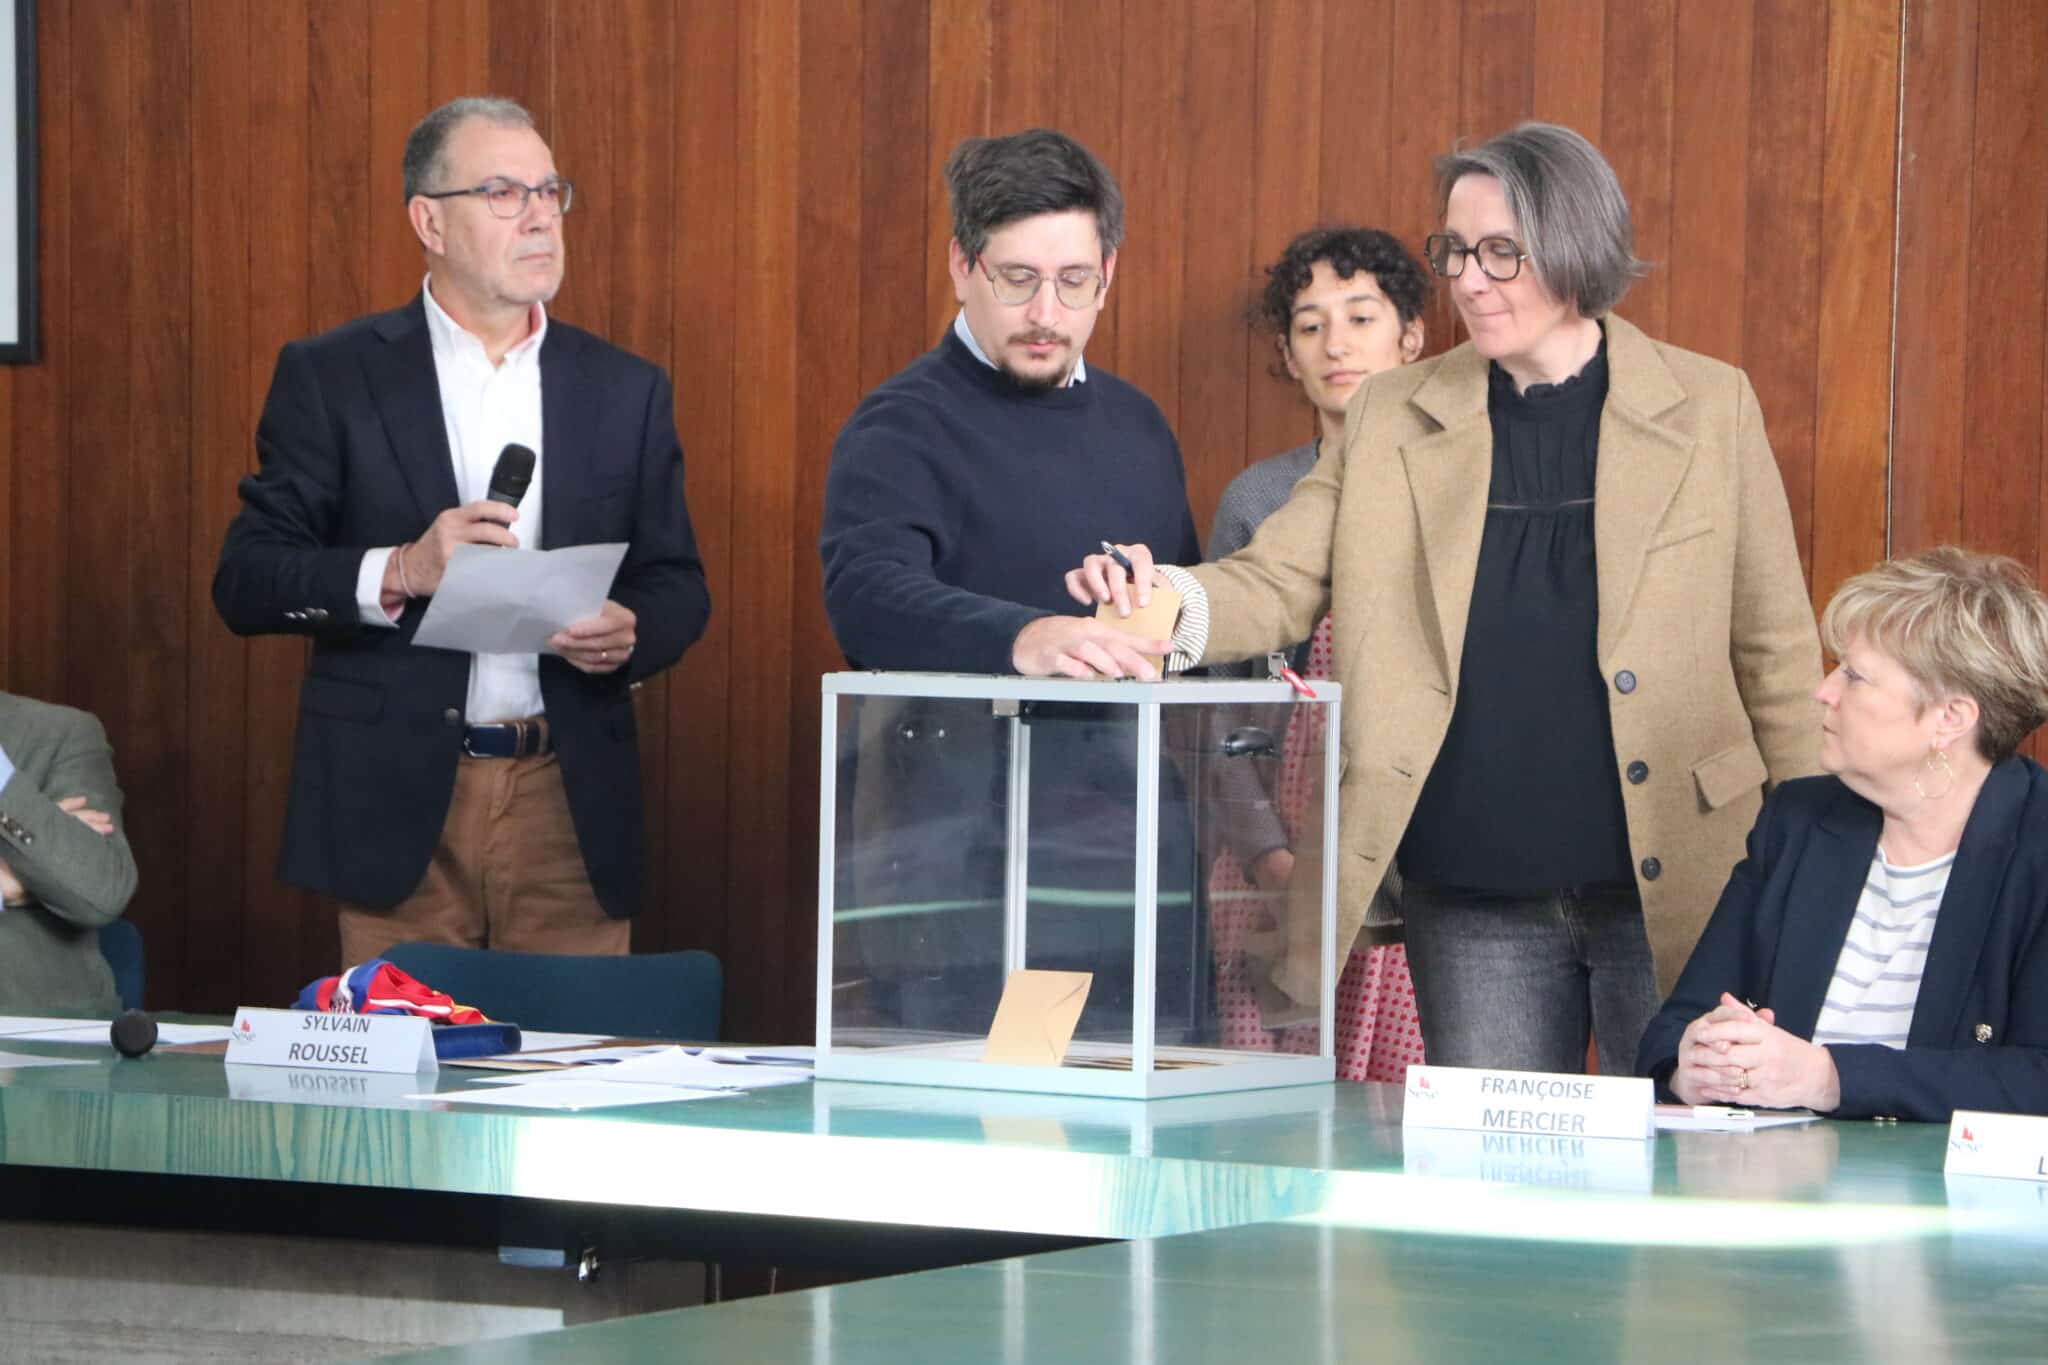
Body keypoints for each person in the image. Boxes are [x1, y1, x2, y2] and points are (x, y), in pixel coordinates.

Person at [1068, 122, 1821, 1075]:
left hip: (1682, 873)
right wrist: (1155, 602)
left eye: (1501, 252)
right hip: (1470, 891)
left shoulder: (1713, 405)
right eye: (1455, 251)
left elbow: (1775, 652)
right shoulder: (1391, 414)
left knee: (1687, 1152)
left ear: (1576, 244)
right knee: (1496, 1165)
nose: (1468, 280)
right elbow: (1277, 576)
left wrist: (1820, 854)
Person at [213, 96, 709, 964]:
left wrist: (631, 633)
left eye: (550, 191)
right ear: (429, 222)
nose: (540, 216)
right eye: (504, 192)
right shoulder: (333, 375)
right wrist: (403, 568)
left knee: (571, 1050)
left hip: (567, 798)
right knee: (408, 1050)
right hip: (396, 800)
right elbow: (247, 580)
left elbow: (678, 582)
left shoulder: (624, 388)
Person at [819, 128, 1201, 1036]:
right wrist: (1026, 637)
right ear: (962, 266)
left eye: (1074, 282)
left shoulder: (1139, 426)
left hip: (1129, 867)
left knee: (1132, 1113)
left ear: (1109, 275)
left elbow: (1186, 612)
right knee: (1001, 1112)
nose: (1046, 312)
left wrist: (1159, 600)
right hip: (968, 875)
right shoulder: (902, 424)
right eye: (1017, 278)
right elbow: (865, 594)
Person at [1639, 548, 2048, 1122]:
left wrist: (1826, 1076)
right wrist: (1694, 1067)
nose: (1824, 691)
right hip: (1773, 1172)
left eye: (1854, 676)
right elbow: (1674, 1029)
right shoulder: (1797, 820)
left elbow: (2035, 1076)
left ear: (1950, 719)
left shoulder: (2035, 846)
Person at [1205, 226, 1427, 1080]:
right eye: (1309, 325)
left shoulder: (1457, 486)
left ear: (1412, 337)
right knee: (1272, 1101)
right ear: (1287, 356)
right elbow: (1216, 705)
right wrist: (1272, 856)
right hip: (1273, 856)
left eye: (1361, 318)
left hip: (1415, 859)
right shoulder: (1258, 498)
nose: (1337, 344)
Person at [0, 692, 139, 1012]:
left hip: (42, 1023)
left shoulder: (59, 733)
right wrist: (12, 880)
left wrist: (3, 784)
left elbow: (101, 891)